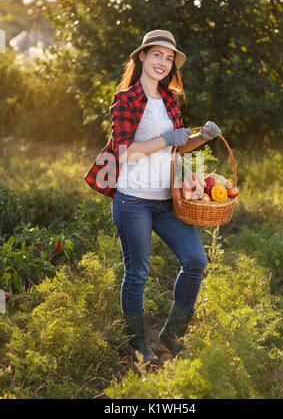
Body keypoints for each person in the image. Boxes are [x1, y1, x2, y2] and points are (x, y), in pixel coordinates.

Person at [84, 29, 221, 364]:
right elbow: (125, 152)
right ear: (142, 57)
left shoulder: (170, 99)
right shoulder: (125, 100)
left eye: (169, 57)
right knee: (138, 273)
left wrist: (201, 137)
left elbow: (178, 143)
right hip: (132, 200)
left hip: (166, 200)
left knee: (196, 260)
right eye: (156, 54)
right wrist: (167, 138)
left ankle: (171, 335)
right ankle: (136, 345)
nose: (163, 62)